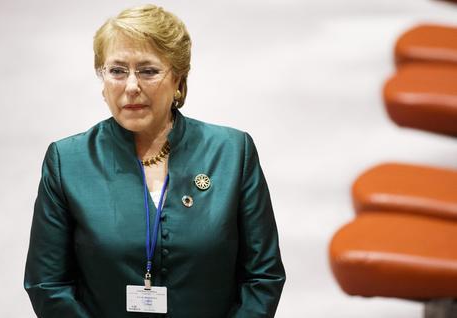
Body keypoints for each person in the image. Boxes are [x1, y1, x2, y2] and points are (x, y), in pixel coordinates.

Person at [24, 4, 285, 317]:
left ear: (177, 79)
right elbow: (47, 284)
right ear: (103, 80)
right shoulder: (68, 161)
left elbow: (263, 277)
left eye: (148, 71)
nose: (131, 86)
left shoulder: (231, 152)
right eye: (117, 71)